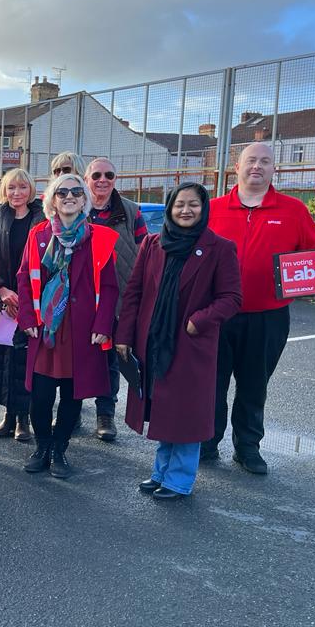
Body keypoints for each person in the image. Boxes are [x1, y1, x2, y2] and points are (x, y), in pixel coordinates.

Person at [204, 142, 315, 473]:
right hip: (217, 315)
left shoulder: (293, 210)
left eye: (265, 161)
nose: (257, 166)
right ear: (237, 167)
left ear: (275, 169)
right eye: (251, 161)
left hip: (268, 316)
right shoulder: (212, 208)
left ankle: (247, 447)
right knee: (210, 382)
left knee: (254, 384)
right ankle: (206, 442)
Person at [116, 183, 241, 499]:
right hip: (154, 341)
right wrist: (125, 336)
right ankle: (161, 472)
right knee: (163, 407)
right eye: (179, 205)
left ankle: (179, 480)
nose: (186, 210)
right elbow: (134, 293)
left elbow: (231, 298)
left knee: (185, 412)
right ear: (170, 208)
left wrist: (199, 321)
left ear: (204, 209)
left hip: (190, 344)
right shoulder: (154, 244)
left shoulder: (220, 248)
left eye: (193, 205)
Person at [16, 173, 119, 479]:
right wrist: (27, 318)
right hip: (47, 329)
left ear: (85, 199)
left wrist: (104, 323)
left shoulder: (100, 237)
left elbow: (111, 286)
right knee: (42, 396)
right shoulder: (38, 235)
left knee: (73, 397)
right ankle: (42, 447)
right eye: (62, 192)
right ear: (53, 200)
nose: (69, 196)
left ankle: (59, 450)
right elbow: (24, 278)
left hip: (83, 331)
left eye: (76, 192)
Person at [0, 168, 46, 442]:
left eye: (22, 187)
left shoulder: (43, 220)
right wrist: (2, 290)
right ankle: (8, 414)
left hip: (31, 302)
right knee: (5, 359)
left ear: (30, 189)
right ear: (4, 190)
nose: (17, 193)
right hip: (2, 300)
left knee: (26, 361)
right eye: (12, 188)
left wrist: (24, 298)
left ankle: (24, 419)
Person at [84, 157, 147, 441]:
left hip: (117, 298)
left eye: (109, 174)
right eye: (96, 174)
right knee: (78, 359)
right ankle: (71, 412)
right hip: (82, 300)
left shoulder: (132, 212)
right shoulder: (75, 208)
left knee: (111, 360)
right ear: (86, 179)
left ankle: (105, 415)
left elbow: (145, 255)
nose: (103, 180)